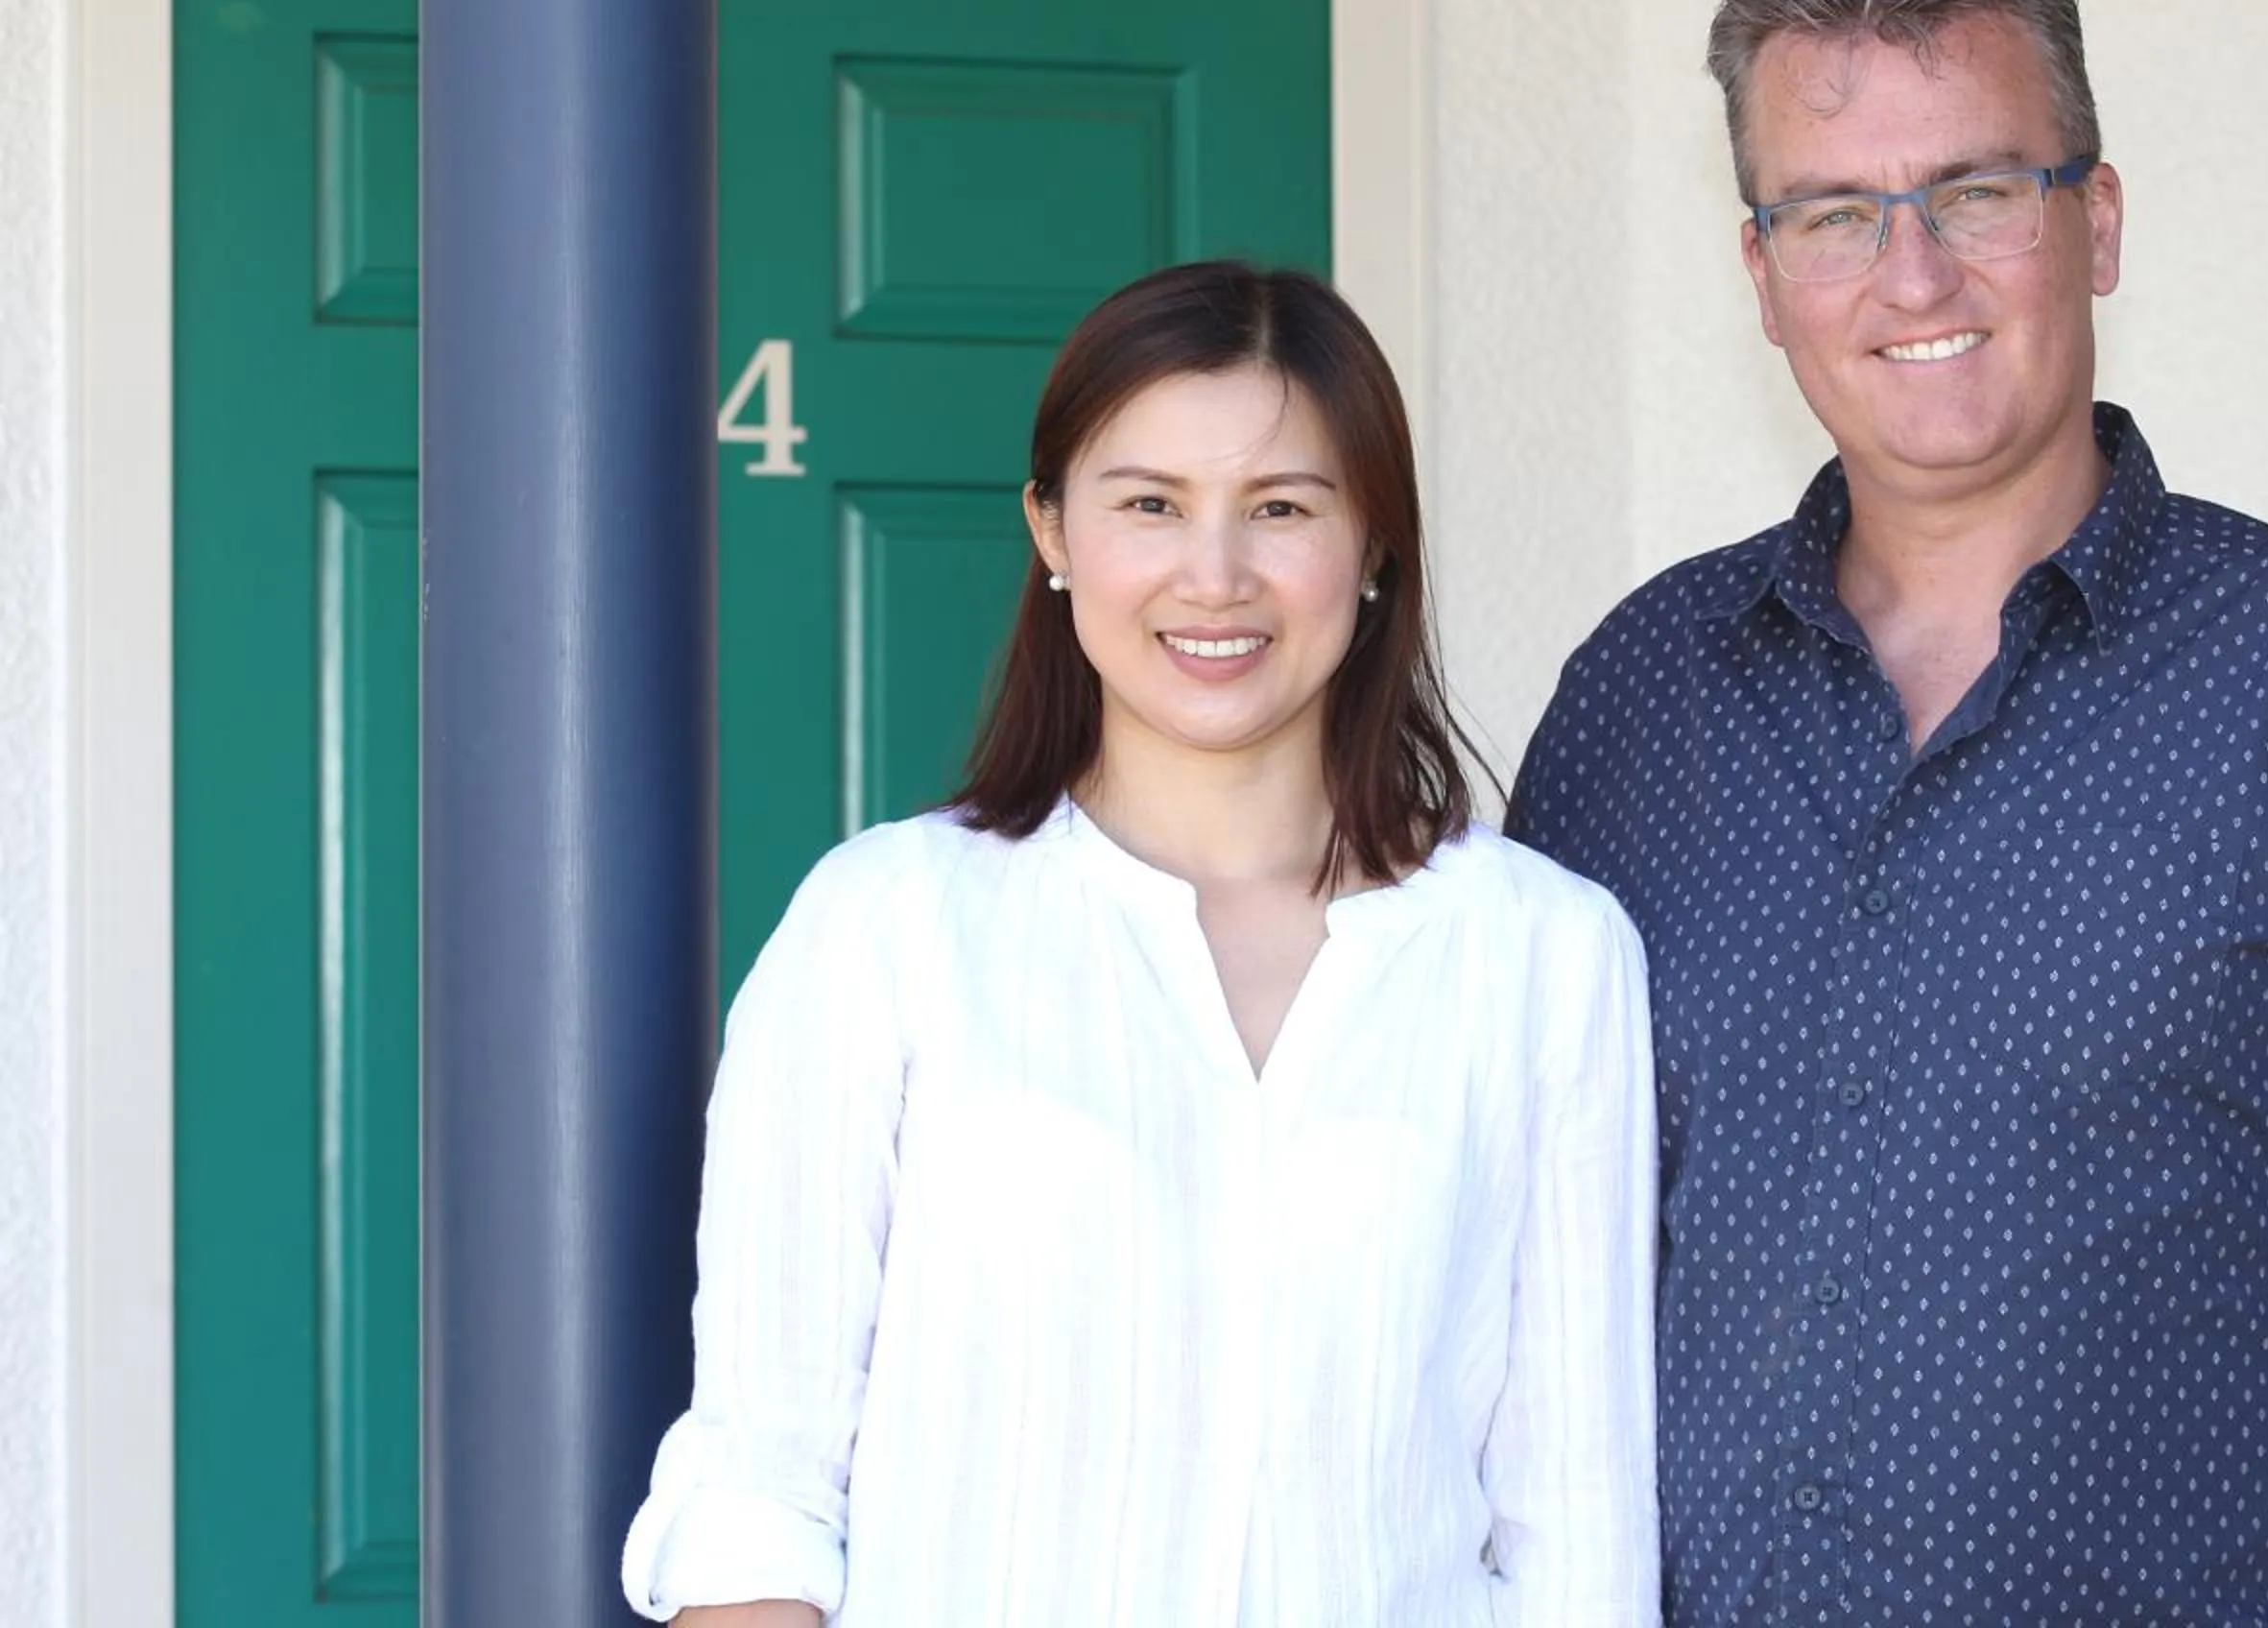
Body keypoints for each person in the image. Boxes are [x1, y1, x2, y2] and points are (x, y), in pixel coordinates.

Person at [1509, 0, 2268, 1625]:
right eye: (1836, 214)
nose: (1914, 274)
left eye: (1976, 191)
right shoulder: (1639, 700)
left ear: (2095, 221)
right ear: (1763, 272)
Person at [623, 261, 1659, 1626]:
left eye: (1282, 508)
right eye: (1150, 505)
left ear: (1375, 548)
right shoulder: (886, 928)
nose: (1214, 577)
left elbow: (1575, 1526)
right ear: (1051, 530)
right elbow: (761, 1489)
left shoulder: (1545, 955)